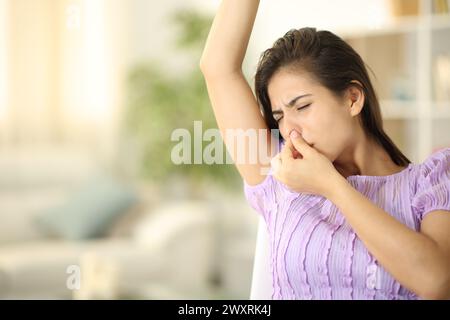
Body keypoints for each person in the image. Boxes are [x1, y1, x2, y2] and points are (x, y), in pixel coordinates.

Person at [200, 0, 450, 300]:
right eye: (279, 117)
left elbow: (437, 282)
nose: (290, 130)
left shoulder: (432, 180)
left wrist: (331, 185)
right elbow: (217, 66)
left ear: (353, 98)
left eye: (302, 106)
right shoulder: (279, 172)